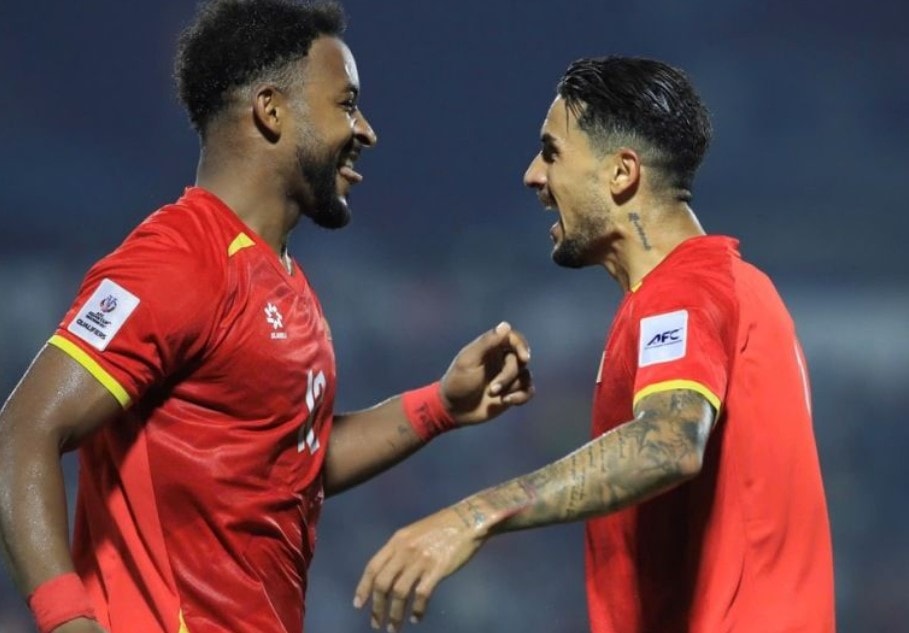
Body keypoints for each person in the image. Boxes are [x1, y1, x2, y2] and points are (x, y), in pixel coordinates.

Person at [0, 2, 534, 633]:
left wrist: (440, 405)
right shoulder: (177, 260)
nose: (366, 130)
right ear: (271, 110)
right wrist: (68, 621)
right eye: (346, 104)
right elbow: (22, 434)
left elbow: (289, 467)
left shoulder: (284, 282)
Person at [354, 56, 835, 633]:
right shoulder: (728, 287)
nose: (533, 175)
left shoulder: (684, 291)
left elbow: (668, 445)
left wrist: (474, 515)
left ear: (621, 173)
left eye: (551, 152)